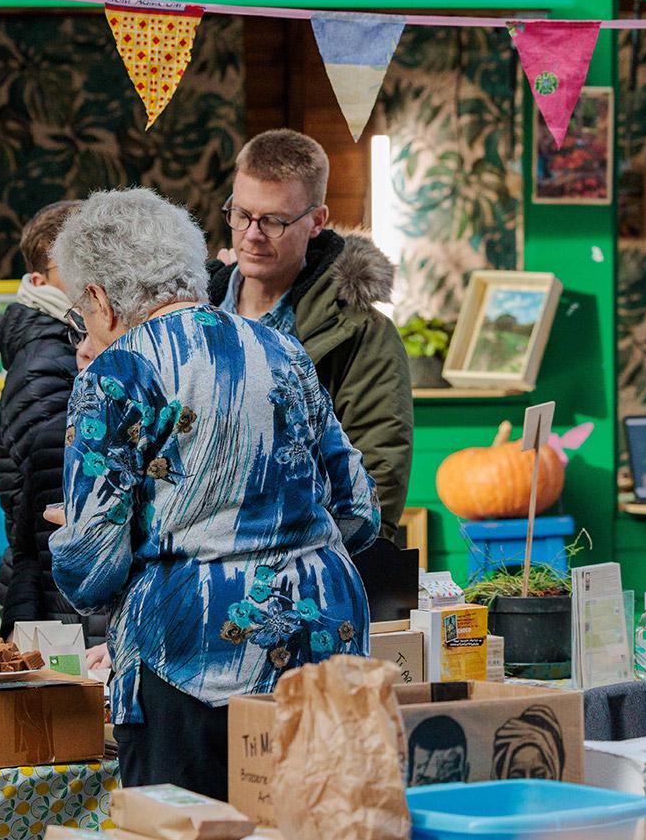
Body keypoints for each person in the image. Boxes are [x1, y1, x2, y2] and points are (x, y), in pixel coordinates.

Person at [48, 188, 379, 794]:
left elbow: (91, 568)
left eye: (80, 312)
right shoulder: (280, 346)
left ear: (99, 297)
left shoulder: (117, 370)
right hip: (326, 640)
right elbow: (357, 507)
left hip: (194, 658)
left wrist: (81, 530)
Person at [208, 129, 412, 539]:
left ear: (316, 221)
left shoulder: (361, 333)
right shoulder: (193, 313)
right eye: (242, 214)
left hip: (306, 571)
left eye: (274, 221)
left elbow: (377, 483)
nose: (251, 235)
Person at [0, 199, 96, 641]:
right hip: (59, 593)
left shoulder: (65, 338)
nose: (89, 279)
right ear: (39, 281)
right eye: (70, 267)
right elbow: (48, 497)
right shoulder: (47, 354)